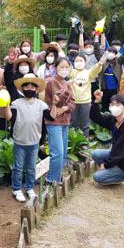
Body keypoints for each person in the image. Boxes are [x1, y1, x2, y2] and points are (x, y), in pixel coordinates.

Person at [3, 73, 50, 202]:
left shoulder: (41, 105)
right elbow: (9, 118)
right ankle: (16, 189)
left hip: (34, 142)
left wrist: (56, 104)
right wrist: (5, 105)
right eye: (26, 86)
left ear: (36, 89)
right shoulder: (16, 103)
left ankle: (29, 187)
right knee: (18, 167)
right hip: (20, 142)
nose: (29, 88)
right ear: (22, 89)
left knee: (31, 167)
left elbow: (50, 117)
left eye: (32, 86)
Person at [89, 91, 124, 189]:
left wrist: (105, 165)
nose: (114, 107)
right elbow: (96, 117)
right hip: (118, 158)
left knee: (97, 177)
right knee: (95, 154)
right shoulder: (113, 120)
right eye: (112, 104)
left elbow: (120, 151)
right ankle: (114, 174)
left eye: (118, 105)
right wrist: (97, 101)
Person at [44, 57, 76, 185]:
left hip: (65, 120)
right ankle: (51, 179)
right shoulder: (51, 82)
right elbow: (54, 100)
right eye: (61, 67)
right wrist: (60, 104)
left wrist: (65, 108)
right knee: (56, 152)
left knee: (63, 152)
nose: (64, 70)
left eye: (66, 67)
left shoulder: (67, 83)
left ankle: (57, 177)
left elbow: (73, 103)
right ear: (55, 68)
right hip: (53, 121)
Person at [70, 54, 105, 137]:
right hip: (74, 102)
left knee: (85, 124)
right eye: (76, 61)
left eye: (81, 61)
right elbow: (66, 65)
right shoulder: (73, 72)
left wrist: (99, 64)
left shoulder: (88, 72)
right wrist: (60, 50)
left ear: (85, 62)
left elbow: (95, 70)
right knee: (74, 123)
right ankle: (74, 142)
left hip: (86, 102)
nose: (78, 63)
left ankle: (85, 143)